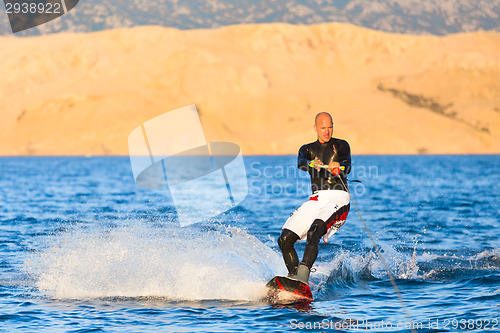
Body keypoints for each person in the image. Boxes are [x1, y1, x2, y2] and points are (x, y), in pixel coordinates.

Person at [278, 112, 351, 284]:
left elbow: (347, 165)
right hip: (317, 198)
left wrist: (339, 166)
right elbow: (301, 162)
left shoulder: (341, 145)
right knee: (284, 240)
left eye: (330, 127)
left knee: (315, 230)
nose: (327, 131)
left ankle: (302, 277)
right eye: (323, 128)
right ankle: (296, 278)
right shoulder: (307, 149)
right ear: (315, 128)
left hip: (338, 197)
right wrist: (311, 164)